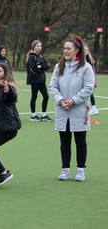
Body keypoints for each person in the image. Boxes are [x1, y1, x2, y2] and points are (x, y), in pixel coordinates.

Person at [49, 37, 94, 182]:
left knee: (80, 141)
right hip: (62, 109)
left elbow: (88, 88)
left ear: (76, 50)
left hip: (79, 109)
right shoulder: (58, 67)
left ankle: (80, 170)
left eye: (68, 48)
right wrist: (61, 100)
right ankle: (65, 169)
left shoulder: (85, 67)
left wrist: (73, 101)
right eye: (64, 49)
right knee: (64, 141)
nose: (65, 51)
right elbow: (53, 86)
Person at [26, 40, 52, 122]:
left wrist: (40, 66)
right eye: (38, 46)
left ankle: (43, 115)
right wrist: (40, 67)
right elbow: (34, 68)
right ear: (34, 47)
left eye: (40, 46)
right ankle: (33, 116)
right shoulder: (31, 57)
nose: (39, 48)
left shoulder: (40, 56)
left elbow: (46, 67)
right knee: (34, 97)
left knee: (46, 96)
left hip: (41, 80)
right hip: (34, 80)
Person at [85, 45, 98, 115]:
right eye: (85, 50)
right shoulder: (81, 60)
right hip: (84, 80)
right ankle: (91, 108)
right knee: (88, 94)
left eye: (87, 50)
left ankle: (93, 108)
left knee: (89, 93)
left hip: (89, 80)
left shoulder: (90, 60)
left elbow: (93, 72)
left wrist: (94, 83)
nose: (86, 51)